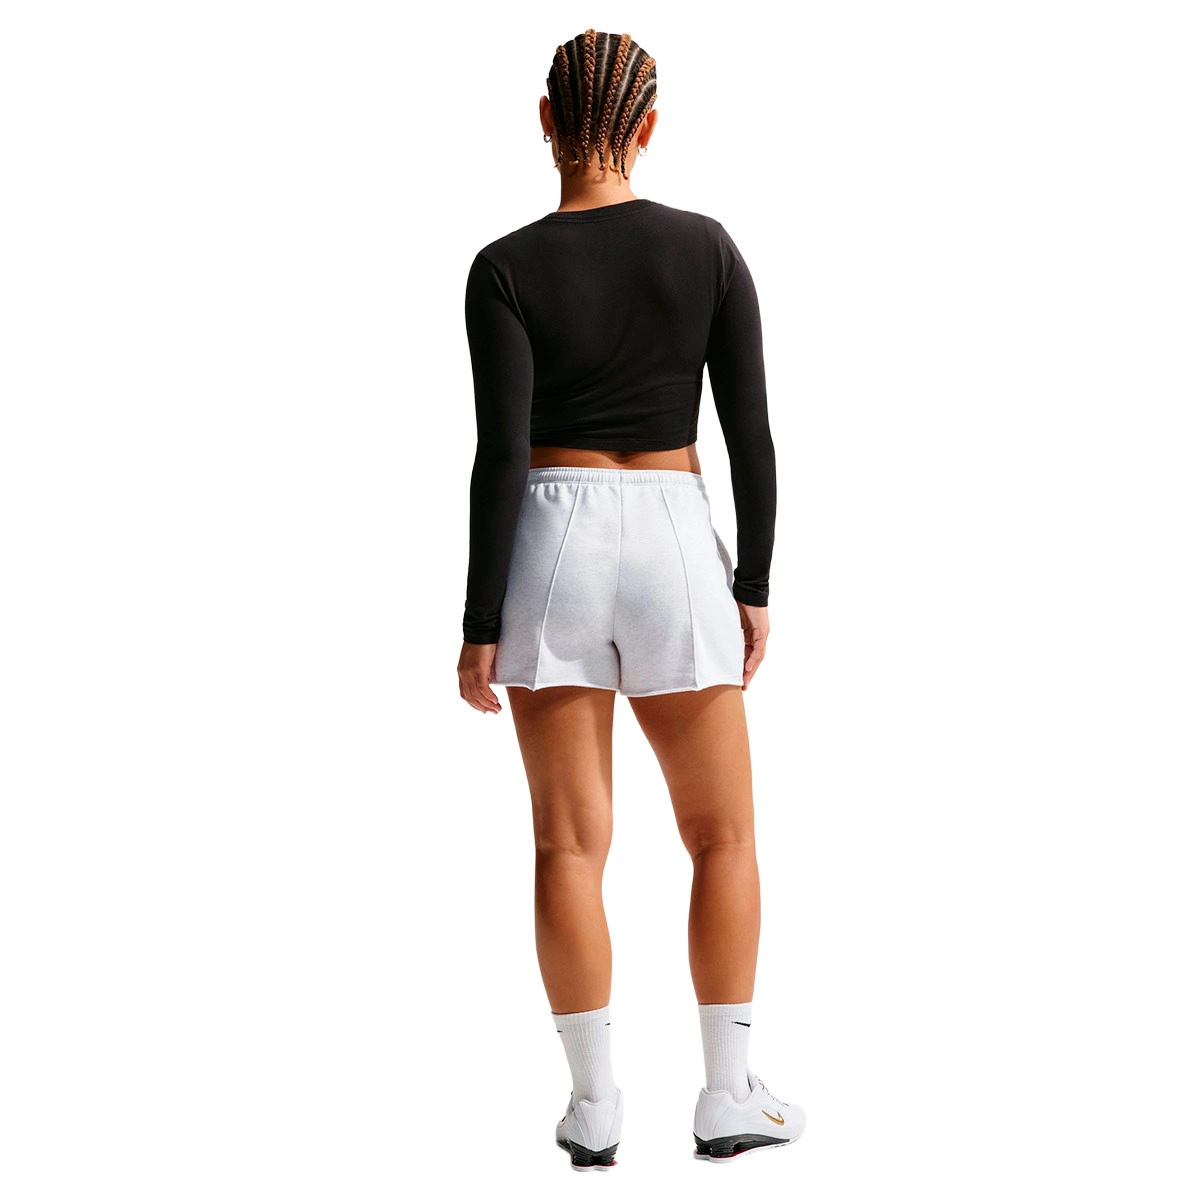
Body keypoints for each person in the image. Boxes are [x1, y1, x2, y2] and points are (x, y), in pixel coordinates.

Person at [456, 29, 805, 1169]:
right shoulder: (705, 248)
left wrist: (478, 624)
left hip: (548, 538)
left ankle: (594, 1108)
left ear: (545, 120)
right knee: (722, 834)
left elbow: (499, 455)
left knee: (567, 844)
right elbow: (751, 436)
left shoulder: (503, 267)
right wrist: (753, 585)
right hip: (671, 532)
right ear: (648, 127)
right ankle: (727, 1095)